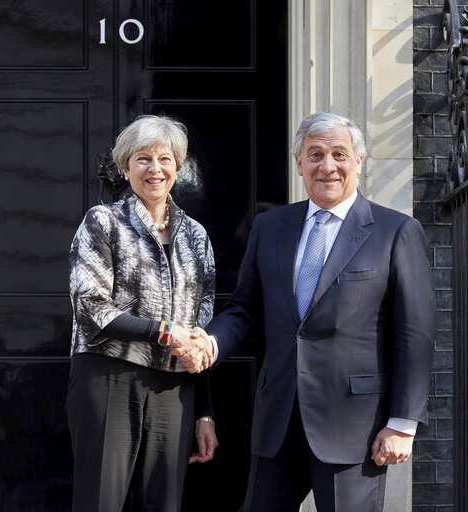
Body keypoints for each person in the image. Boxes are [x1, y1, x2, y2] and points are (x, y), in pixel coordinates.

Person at [179, 112, 435, 511]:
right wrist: (211, 341)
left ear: (359, 162)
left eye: (339, 154)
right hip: (278, 420)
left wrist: (402, 423)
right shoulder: (270, 226)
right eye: (315, 154)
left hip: (355, 426)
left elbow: (415, 335)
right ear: (299, 163)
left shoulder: (395, 231)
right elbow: (245, 309)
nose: (327, 166)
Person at [66, 114, 218, 512]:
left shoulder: (197, 236)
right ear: (124, 167)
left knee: (164, 503)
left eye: (165, 159)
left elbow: (200, 331)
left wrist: (205, 413)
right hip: (109, 378)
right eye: (143, 159)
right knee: (101, 501)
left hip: (175, 390)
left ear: (178, 167)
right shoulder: (103, 223)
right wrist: (166, 333)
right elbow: (91, 308)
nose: (155, 169)